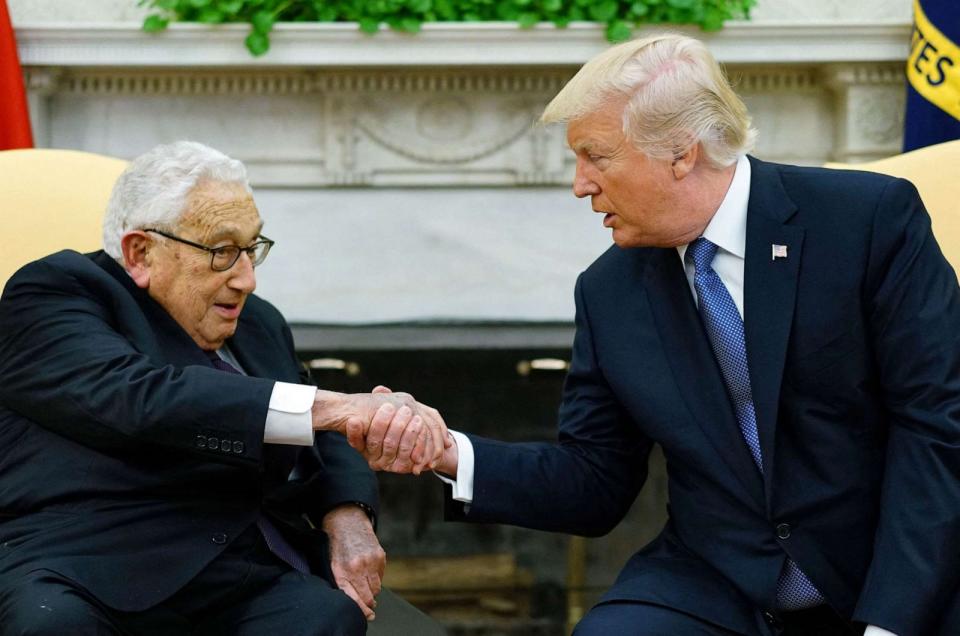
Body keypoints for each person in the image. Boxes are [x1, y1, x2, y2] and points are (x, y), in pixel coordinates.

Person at [363, 33, 960, 636]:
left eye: (596, 155)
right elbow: (593, 479)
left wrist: (888, 626)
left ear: (681, 152)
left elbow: (938, 424)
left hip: (890, 565)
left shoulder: (865, 221)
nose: (580, 184)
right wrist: (444, 450)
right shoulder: (609, 290)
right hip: (719, 579)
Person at [0, 141, 448, 635]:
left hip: (239, 569)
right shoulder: (57, 293)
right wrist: (343, 406)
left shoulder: (258, 323)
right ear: (141, 251)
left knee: (327, 617)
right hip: (88, 566)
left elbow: (315, 430)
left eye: (252, 248)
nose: (247, 279)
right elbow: (142, 397)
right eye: (223, 252)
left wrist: (348, 519)